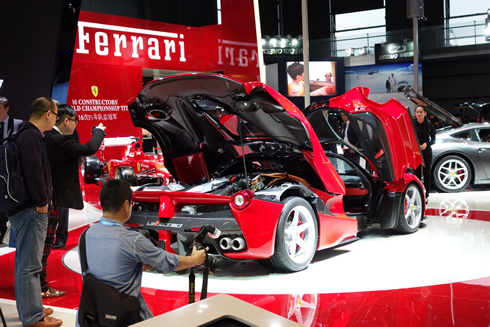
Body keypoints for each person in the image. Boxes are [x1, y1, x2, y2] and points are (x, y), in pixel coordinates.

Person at [77, 179, 207, 321]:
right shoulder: (132, 240)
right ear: (126, 205)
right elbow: (167, 262)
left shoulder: (85, 236)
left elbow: (104, 268)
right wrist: (195, 259)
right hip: (122, 317)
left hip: (90, 316)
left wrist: (133, 266)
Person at [6, 97, 62, 327]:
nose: (56, 120)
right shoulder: (30, 136)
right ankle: (33, 316)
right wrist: (42, 202)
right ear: (48, 113)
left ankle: (31, 307)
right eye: (56, 115)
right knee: (30, 265)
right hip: (31, 209)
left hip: (25, 208)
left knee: (26, 263)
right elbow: (34, 171)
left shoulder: (26, 134)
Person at [41, 104, 106, 298]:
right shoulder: (57, 140)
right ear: (67, 120)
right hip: (49, 198)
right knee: (43, 247)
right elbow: (89, 148)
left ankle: (40, 286)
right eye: (75, 122)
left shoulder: (48, 137)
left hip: (48, 197)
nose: (75, 126)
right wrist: (99, 131)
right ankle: (40, 288)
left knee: (42, 246)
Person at [0, 96, 23, 243]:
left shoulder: (18, 124)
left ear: (6, 108)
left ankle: (10, 234)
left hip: (11, 170)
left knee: (9, 200)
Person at [413, 106, 436, 201]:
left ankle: (426, 195)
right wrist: (416, 144)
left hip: (427, 151)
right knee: (416, 173)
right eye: (417, 112)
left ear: (425, 113)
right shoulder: (413, 124)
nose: (418, 114)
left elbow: (434, 140)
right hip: (416, 152)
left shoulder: (429, 125)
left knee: (427, 173)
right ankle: (417, 193)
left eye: (420, 112)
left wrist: (427, 143)